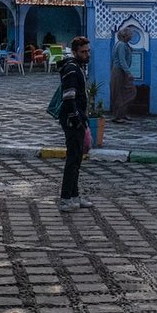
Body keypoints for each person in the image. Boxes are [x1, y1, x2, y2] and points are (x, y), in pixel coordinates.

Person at [56, 36, 95, 211]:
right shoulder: (71, 69)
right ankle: (65, 198)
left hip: (78, 117)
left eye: (88, 51)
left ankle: (74, 195)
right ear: (74, 52)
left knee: (77, 157)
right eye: (83, 52)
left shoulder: (78, 67)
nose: (87, 54)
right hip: (72, 119)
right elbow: (69, 96)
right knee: (73, 159)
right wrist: (76, 118)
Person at [109, 25, 134, 124]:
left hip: (121, 71)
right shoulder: (121, 45)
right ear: (126, 35)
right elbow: (122, 60)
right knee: (118, 93)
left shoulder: (124, 45)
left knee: (124, 92)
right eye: (130, 34)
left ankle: (122, 113)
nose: (131, 36)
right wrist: (128, 72)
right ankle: (117, 115)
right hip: (119, 70)